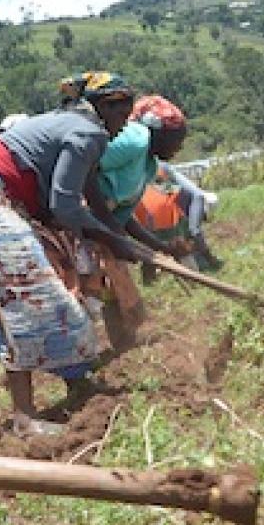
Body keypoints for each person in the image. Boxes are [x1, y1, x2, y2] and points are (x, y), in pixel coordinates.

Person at [0, 72, 143, 437]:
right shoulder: (88, 133)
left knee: (53, 295)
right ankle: (24, 416)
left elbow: (83, 197)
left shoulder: (75, 127)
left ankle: (79, 384)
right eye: (122, 116)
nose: (123, 127)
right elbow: (65, 205)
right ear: (103, 108)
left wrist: (116, 236)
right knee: (23, 295)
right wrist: (112, 240)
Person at [88, 95, 194, 345]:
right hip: (74, 216)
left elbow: (124, 219)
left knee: (114, 283)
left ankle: (123, 347)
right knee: (88, 289)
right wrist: (105, 222)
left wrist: (161, 247)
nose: (179, 146)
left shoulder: (147, 166)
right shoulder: (136, 139)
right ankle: (78, 362)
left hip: (98, 225)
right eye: (177, 138)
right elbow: (84, 165)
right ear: (159, 133)